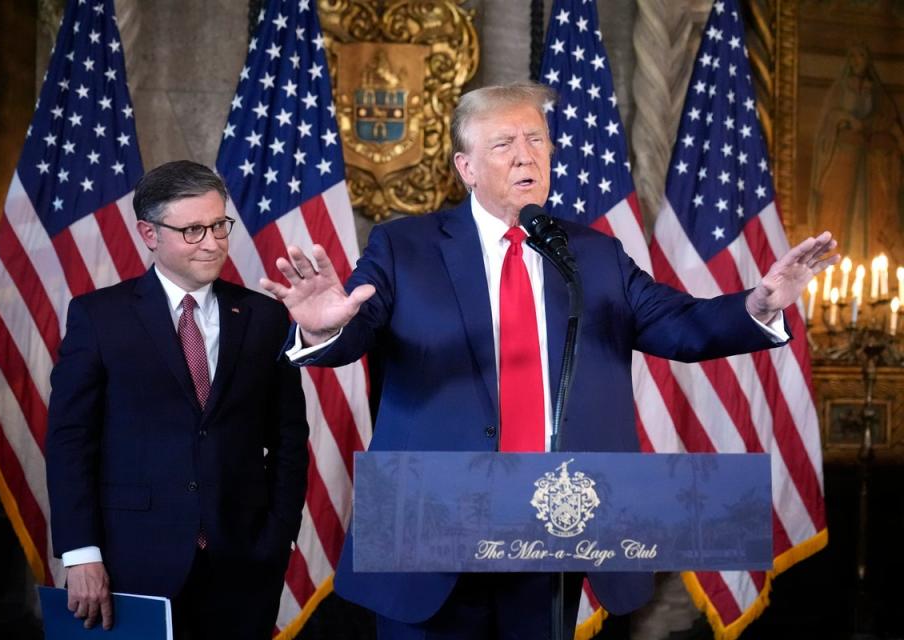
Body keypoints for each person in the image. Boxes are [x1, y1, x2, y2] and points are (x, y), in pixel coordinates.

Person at [261, 83, 838, 639]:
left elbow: (681, 325)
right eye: (503, 144)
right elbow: (355, 328)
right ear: (466, 168)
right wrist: (323, 325)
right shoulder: (403, 246)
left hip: (551, 530)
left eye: (536, 140)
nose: (525, 156)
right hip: (431, 529)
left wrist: (757, 306)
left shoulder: (593, 254)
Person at [46, 160, 309, 638]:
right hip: (131, 561)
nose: (211, 242)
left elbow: (290, 438)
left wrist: (277, 535)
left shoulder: (266, 316)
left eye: (218, 225)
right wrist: (82, 553)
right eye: (192, 231)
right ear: (150, 233)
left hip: (244, 563)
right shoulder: (99, 317)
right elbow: (70, 442)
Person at [807, 43, 904, 264]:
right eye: (854, 56)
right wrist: (845, 119)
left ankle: (873, 257)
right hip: (844, 159)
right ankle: (834, 260)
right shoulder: (840, 90)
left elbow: (889, 122)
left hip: (871, 163)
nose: (857, 61)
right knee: (837, 206)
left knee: (874, 208)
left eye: (862, 56)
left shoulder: (877, 92)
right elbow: (828, 123)